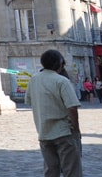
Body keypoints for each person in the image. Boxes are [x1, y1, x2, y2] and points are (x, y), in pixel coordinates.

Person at [25, 49, 82, 177]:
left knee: (51, 170)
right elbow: (72, 107)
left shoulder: (33, 80)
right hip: (64, 131)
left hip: (44, 131)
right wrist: (76, 129)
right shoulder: (61, 81)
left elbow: (29, 101)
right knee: (71, 170)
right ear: (60, 63)